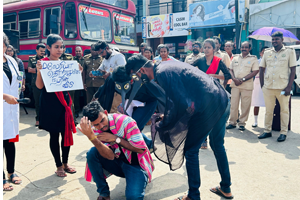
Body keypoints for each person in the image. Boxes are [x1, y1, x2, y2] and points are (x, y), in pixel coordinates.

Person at [125, 54, 233, 200]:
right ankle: (226, 187)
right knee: (217, 144)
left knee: (190, 150)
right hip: (223, 99)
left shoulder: (162, 73)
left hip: (209, 106)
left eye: (136, 74)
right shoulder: (165, 67)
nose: (138, 78)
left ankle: (193, 195)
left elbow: (182, 103)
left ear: (142, 70)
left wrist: (167, 120)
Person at [79, 101, 154, 200]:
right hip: (117, 162)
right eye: (96, 124)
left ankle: (138, 179)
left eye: (102, 120)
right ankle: (104, 193)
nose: (101, 126)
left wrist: (116, 138)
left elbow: (140, 150)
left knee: (133, 197)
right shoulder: (94, 129)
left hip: (136, 165)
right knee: (92, 153)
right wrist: (92, 138)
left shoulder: (126, 121)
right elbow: (110, 156)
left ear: (106, 113)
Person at [35, 34, 78, 177]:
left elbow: (72, 83)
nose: (60, 50)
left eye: (62, 47)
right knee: (54, 135)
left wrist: (78, 72)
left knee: (66, 132)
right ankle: (58, 165)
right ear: (48, 47)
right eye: (56, 47)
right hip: (50, 104)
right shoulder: (43, 63)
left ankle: (66, 163)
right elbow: (39, 86)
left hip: (64, 103)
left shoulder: (66, 63)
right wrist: (40, 72)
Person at [192, 39, 231, 149]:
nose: (206, 49)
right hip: (202, 90)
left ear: (214, 49)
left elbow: (228, 75)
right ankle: (203, 139)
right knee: (202, 115)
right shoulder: (199, 60)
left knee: (212, 114)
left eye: (209, 47)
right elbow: (189, 68)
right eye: (205, 47)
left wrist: (215, 76)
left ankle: (214, 139)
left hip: (214, 91)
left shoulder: (218, 61)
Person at [258, 31, 297, 142]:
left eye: (277, 39)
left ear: (282, 40)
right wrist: (262, 85)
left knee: (284, 111)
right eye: (273, 39)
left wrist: (289, 86)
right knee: (269, 111)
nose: (274, 41)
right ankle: (267, 131)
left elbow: (293, 70)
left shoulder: (290, 52)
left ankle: (283, 132)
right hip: (268, 87)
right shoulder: (267, 52)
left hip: (283, 87)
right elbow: (262, 69)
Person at [3, 32, 22, 191]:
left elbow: (17, 79)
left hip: (11, 108)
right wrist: (3, 96)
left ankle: (11, 171)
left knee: (10, 142)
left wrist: (19, 87)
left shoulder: (11, 60)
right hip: (4, 103)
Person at [226, 41, 259, 131]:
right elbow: (230, 69)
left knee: (245, 105)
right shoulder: (236, 57)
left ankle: (242, 123)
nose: (244, 49)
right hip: (235, 84)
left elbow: (255, 71)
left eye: (246, 47)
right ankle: (232, 122)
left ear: (249, 48)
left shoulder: (253, 58)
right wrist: (234, 79)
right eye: (242, 47)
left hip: (246, 86)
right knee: (233, 105)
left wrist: (242, 79)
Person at [95, 41, 126, 113]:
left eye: (101, 53)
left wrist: (110, 74)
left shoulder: (119, 56)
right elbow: (100, 69)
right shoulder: (105, 59)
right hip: (108, 86)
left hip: (118, 89)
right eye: (99, 54)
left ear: (107, 48)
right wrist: (95, 73)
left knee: (115, 110)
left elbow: (123, 71)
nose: (101, 55)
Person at [28, 43, 46, 126]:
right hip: (35, 83)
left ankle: (46, 118)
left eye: (43, 51)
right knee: (37, 101)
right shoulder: (31, 59)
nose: (42, 52)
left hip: (46, 84)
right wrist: (39, 69)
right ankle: (38, 119)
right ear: (36, 50)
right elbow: (29, 70)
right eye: (41, 51)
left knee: (46, 101)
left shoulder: (46, 59)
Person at [60, 45, 78, 125]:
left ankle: (73, 120)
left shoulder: (70, 57)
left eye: (62, 48)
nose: (61, 50)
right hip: (58, 83)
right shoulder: (53, 58)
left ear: (64, 49)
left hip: (69, 83)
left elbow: (72, 68)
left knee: (71, 102)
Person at [251, 46, 268, 127]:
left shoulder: (272, 62)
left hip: (268, 83)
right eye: (263, 52)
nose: (265, 54)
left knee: (269, 104)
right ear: (260, 53)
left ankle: (267, 123)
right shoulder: (257, 61)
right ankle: (255, 121)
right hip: (258, 83)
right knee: (256, 103)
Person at [73, 46, 86, 118]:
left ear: (82, 51)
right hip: (76, 81)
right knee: (76, 98)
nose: (78, 52)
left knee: (85, 97)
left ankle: (85, 112)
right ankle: (76, 112)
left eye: (79, 51)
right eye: (77, 51)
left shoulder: (85, 59)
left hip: (84, 81)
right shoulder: (72, 60)